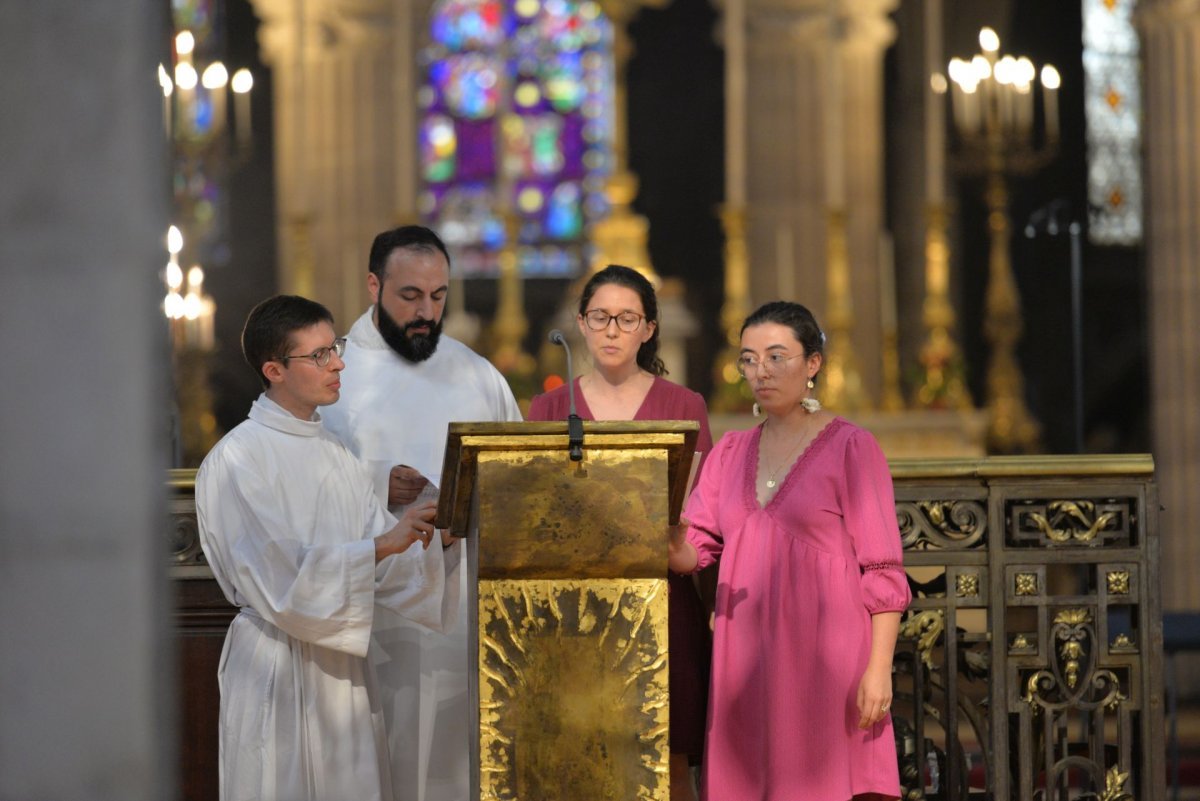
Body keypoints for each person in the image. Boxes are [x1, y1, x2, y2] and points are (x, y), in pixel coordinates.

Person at [195, 295, 461, 801]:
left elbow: (385, 565)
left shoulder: (336, 454)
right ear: (274, 369)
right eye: (319, 355)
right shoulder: (237, 460)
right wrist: (384, 543)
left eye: (335, 347)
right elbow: (281, 581)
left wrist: (443, 529)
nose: (339, 363)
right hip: (277, 665)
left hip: (341, 677)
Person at [667, 301, 911, 801]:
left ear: (813, 364)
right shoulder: (730, 453)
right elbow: (693, 552)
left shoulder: (851, 448)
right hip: (745, 661)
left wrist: (879, 668)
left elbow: (882, 570)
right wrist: (664, 528)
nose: (761, 371)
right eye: (750, 359)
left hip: (827, 660)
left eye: (777, 357)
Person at [322, 225, 522, 801]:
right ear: (373, 285)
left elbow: (515, 475)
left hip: (461, 603)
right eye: (410, 296)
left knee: (459, 760)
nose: (425, 313)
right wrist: (378, 480)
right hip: (374, 612)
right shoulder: (332, 375)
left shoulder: (477, 375)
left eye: (438, 297)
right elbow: (297, 478)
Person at [528, 264, 714, 801]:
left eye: (626, 318)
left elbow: (700, 509)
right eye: (600, 317)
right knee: (583, 752)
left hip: (662, 596)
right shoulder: (547, 408)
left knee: (669, 757)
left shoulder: (685, 406)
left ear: (648, 329)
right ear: (581, 324)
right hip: (576, 608)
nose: (612, 330)